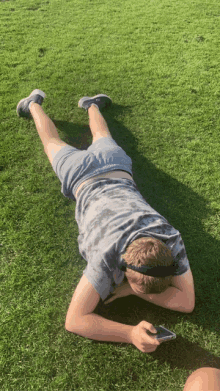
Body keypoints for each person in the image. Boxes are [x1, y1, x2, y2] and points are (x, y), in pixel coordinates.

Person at [17, 90, 220, 390]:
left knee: (100, 135)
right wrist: (128, 333)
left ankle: (75, 104)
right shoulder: (107, 256)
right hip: (80, 178)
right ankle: (35, 104)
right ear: (123, 267)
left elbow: (187, 303)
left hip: (115, 168)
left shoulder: (171, 238)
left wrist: (132, 291)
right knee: (52, 143)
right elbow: (74, 320)